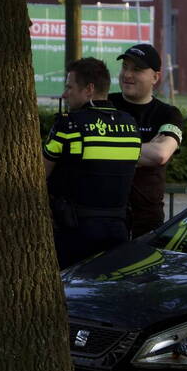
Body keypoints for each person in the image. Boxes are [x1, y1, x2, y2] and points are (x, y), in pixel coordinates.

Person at [43, 57, 141, 268]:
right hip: (119, 231)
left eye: (69, 87)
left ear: (88, 89)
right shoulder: (130, 125)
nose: (65, 94)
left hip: (75, 233)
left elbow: (40, 173)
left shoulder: (68, 125)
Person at [109, 43, 184, 238]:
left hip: (147, 223)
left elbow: (160, 154)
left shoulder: (169, 114)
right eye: (125, 67)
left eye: (137, 69)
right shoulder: (105, 105)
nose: (127, 75)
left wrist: (106, 148)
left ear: (155, 77)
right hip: (105, 219)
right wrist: (145, 150)